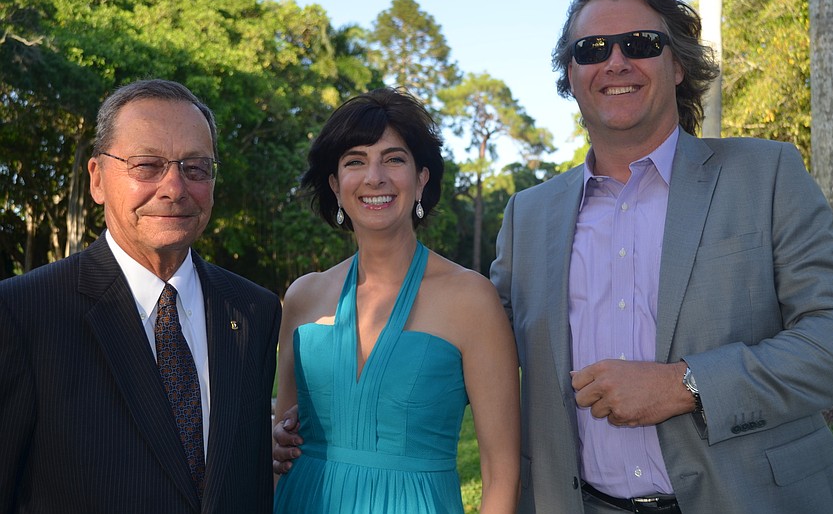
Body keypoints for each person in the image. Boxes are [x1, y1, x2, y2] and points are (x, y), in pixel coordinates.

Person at [488, 0, 833, 514]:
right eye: (592, 49)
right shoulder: (526, 216)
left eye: (640, 43)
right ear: (571, 74)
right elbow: (473, 351)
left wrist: (686, 385)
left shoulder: (767, 175)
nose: (616, 62)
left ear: (678, 65)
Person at [0, 79, 282, 514]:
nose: (174, 187)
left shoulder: (253, 311)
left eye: (195, 167)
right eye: (147, 165)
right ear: (97, 179)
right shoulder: (22, 313)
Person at [270, 87, 520, 513]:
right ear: (335, 185)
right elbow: (283, 438)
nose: (374, 177)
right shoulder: (303, 296)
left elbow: (502, 472)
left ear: (421, 179)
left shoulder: (471, 299)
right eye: (355, 161)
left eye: (393, 159)